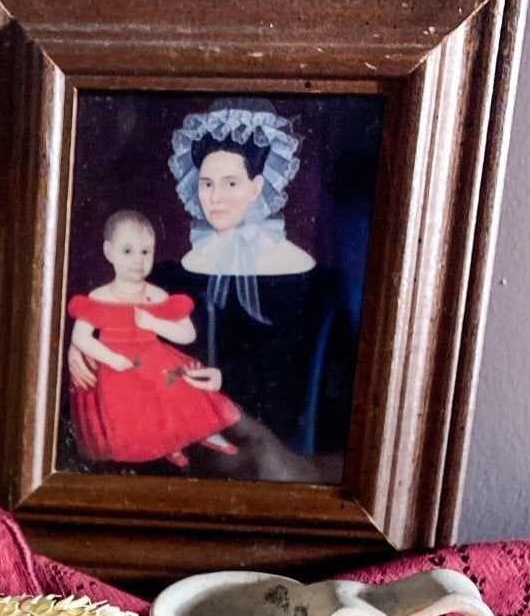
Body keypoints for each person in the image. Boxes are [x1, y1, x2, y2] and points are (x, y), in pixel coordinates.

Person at [69, 103, 355, 471]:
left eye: (230, 183)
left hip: (277, 470)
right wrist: (82, 346)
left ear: (257, 187)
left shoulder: (318, 287)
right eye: (206, 184)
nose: (215, 198)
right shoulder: (167, 276)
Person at [65, 209, 240, 467]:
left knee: (176, 388)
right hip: (113, 364)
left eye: (145, 252)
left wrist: (155, 323)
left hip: (152, 355)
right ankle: (165, 446)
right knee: (132, 404)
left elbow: (187, 333)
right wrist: (111, 358)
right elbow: (81, 337)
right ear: (109, 252)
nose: (138, 260)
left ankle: (189, 438)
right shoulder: (99, 298)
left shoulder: (157, 295)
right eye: (127, 251)